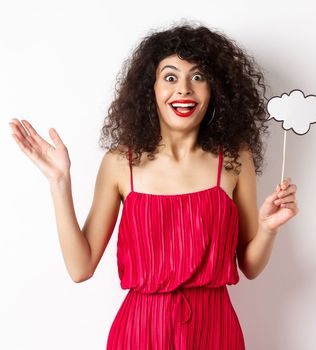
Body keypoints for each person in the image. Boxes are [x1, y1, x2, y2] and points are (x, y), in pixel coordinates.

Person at [8, 22, 299, 349]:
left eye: (198, 77)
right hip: (141, 332)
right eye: (171, 77)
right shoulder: (120, 164)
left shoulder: (234, 160)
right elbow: (80, 267)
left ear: (216, 89)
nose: (184, 90)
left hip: (215, 332)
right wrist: (59, 182)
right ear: (151, 88)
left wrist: (268, 228)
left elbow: (249, 266)